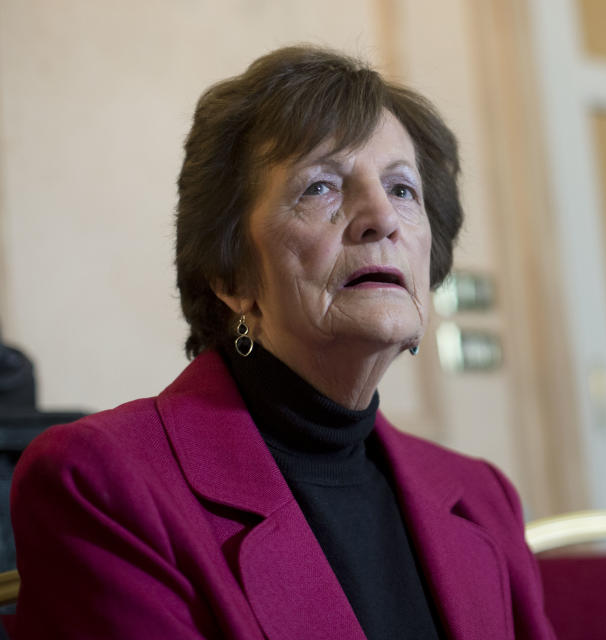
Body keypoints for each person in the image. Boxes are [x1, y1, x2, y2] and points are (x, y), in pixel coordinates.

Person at [9, 46, 555, 640]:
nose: (382, 217)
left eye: (403, 190)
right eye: (320, 187)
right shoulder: (102, 483)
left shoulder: (483, 496)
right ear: (232, 276)